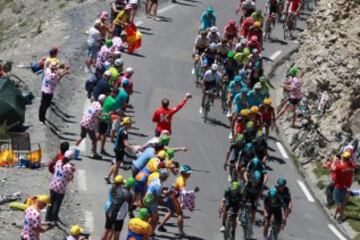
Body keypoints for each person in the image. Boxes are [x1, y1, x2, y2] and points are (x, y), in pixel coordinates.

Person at [157, 165, 194, 237]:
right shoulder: (181, 180)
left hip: (171, 197)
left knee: (171, 211)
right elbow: (183, 191)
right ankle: (181, 232)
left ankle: (161, 225)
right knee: (180, 214)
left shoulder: (181, 178)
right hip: (173, 198)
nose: (189, 174)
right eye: (188, 173)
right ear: (183, 173)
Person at [46, 150, 76, 224]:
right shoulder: (70, 167)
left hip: (53, 185)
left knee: (51, 202)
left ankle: (47, 218)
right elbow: (70, 178)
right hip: (61, 188)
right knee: (57, 204)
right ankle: (53, 220)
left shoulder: (58, 162)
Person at [102, 175, 134, 240]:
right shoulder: (129, 195)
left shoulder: (115, 188)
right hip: (118, 217)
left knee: (106, 231)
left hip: (109, 212)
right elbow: (130, 208)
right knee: (116, 234)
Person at [76, 94, 106, 160]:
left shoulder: (94, 102)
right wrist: (105, 118)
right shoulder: (100, 108)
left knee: (82, 137)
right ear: (103, 101)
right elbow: (99, 117)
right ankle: (95, 153)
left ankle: (73, 149)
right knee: (94, 139)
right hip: (89, 124)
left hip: (84, 121)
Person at [105, 117, 135, 183]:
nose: (131, 125)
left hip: (117, 147)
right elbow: (125, 143)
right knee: (117, 165)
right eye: (130, 124)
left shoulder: (121, 129)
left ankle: (108, 176)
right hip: (120, 149)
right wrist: (131, 148)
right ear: (126, 124)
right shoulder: (124, 132)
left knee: (116, 163)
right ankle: (114, 179)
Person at [331, 151, 355, 223]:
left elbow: (332, 168)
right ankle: (335, 214)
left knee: (339, 202)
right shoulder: (351, 166)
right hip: (347, 186)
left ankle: (340, 217)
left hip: (339, 186)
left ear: (343, 158)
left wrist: (334, 161)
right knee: (342, 202)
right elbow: (351, 166)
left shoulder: (340, 167)